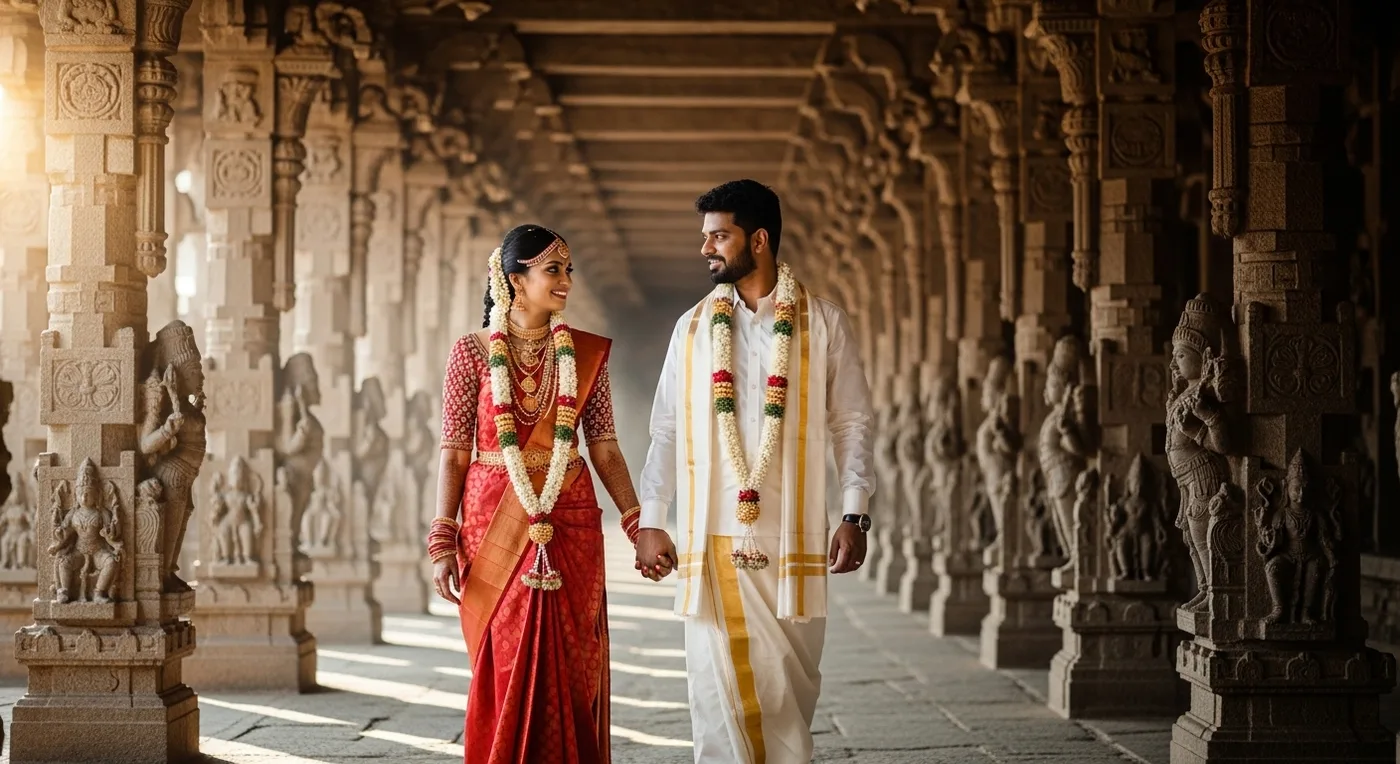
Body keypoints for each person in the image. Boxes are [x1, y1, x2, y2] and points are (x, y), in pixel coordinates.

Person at [636, 180, 876, 763]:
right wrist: (652, 519)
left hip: (794, 538)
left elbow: (852, 423)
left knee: (787, 690)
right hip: (714, 534)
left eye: (719, 236)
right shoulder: (691, 331)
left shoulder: (821, 323)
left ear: (759, 240)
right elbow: (665, 428)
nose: (706, 249)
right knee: (717, 694)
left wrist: (855, 513)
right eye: (704, 238)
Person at [429, 224, 643, 764]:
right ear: (514, 281)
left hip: (569, 517)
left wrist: (638, 523)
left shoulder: (585, 354)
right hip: (490, 520)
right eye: (554, 269)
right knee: (504, 655)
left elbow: (607, 449)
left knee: (575, 657)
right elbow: (454, 452)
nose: (567, 280)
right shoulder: (471, 354)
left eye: (568, 269)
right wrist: (441, 538)